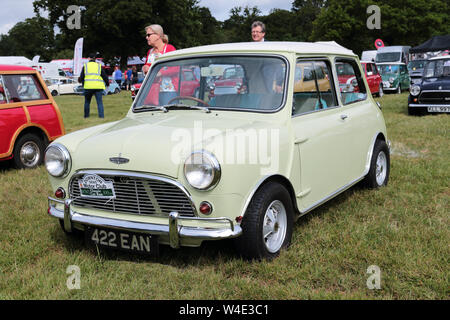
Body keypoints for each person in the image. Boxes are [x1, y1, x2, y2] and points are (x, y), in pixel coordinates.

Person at [78, 52, 109, 118]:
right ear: (95, 59)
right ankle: (101, 117)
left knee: (87, 102)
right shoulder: (99, 66)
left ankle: (86, 116)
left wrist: (81, 81)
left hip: (88, 87)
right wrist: (107, 83)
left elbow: (81, 77)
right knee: (99, 103)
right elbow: (105, 76)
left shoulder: (85, 66)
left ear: (89, 58)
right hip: (98, 87)